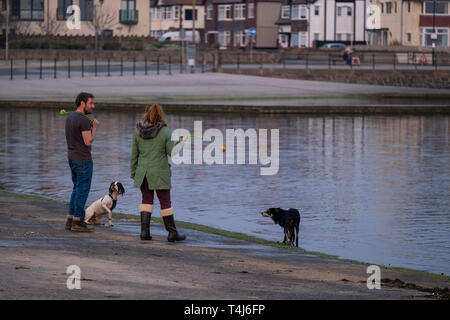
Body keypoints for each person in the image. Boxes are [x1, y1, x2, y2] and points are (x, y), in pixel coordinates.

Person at [131, 104, 187, 242]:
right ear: (160, 115)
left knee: (146, 201)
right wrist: (182, 142)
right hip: (160, 172)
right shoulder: (165, 131)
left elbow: (134, 155)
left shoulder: (137, 131)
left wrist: (133, 172)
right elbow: (172, 152)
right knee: (165, 202)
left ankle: (144, 232)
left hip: (143, 172)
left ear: (146, 114)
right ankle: (172, 233)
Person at [64, 92, 100, 232]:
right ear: (82, 103)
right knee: (82, 190)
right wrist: (95, 127)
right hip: (83, 160)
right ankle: (78, 222)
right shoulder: (84, 120)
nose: (93, 106)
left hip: (72, 158)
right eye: (91, 103)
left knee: (76, 188)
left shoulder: (70, 117)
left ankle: (70, 219)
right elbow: (88, 141)